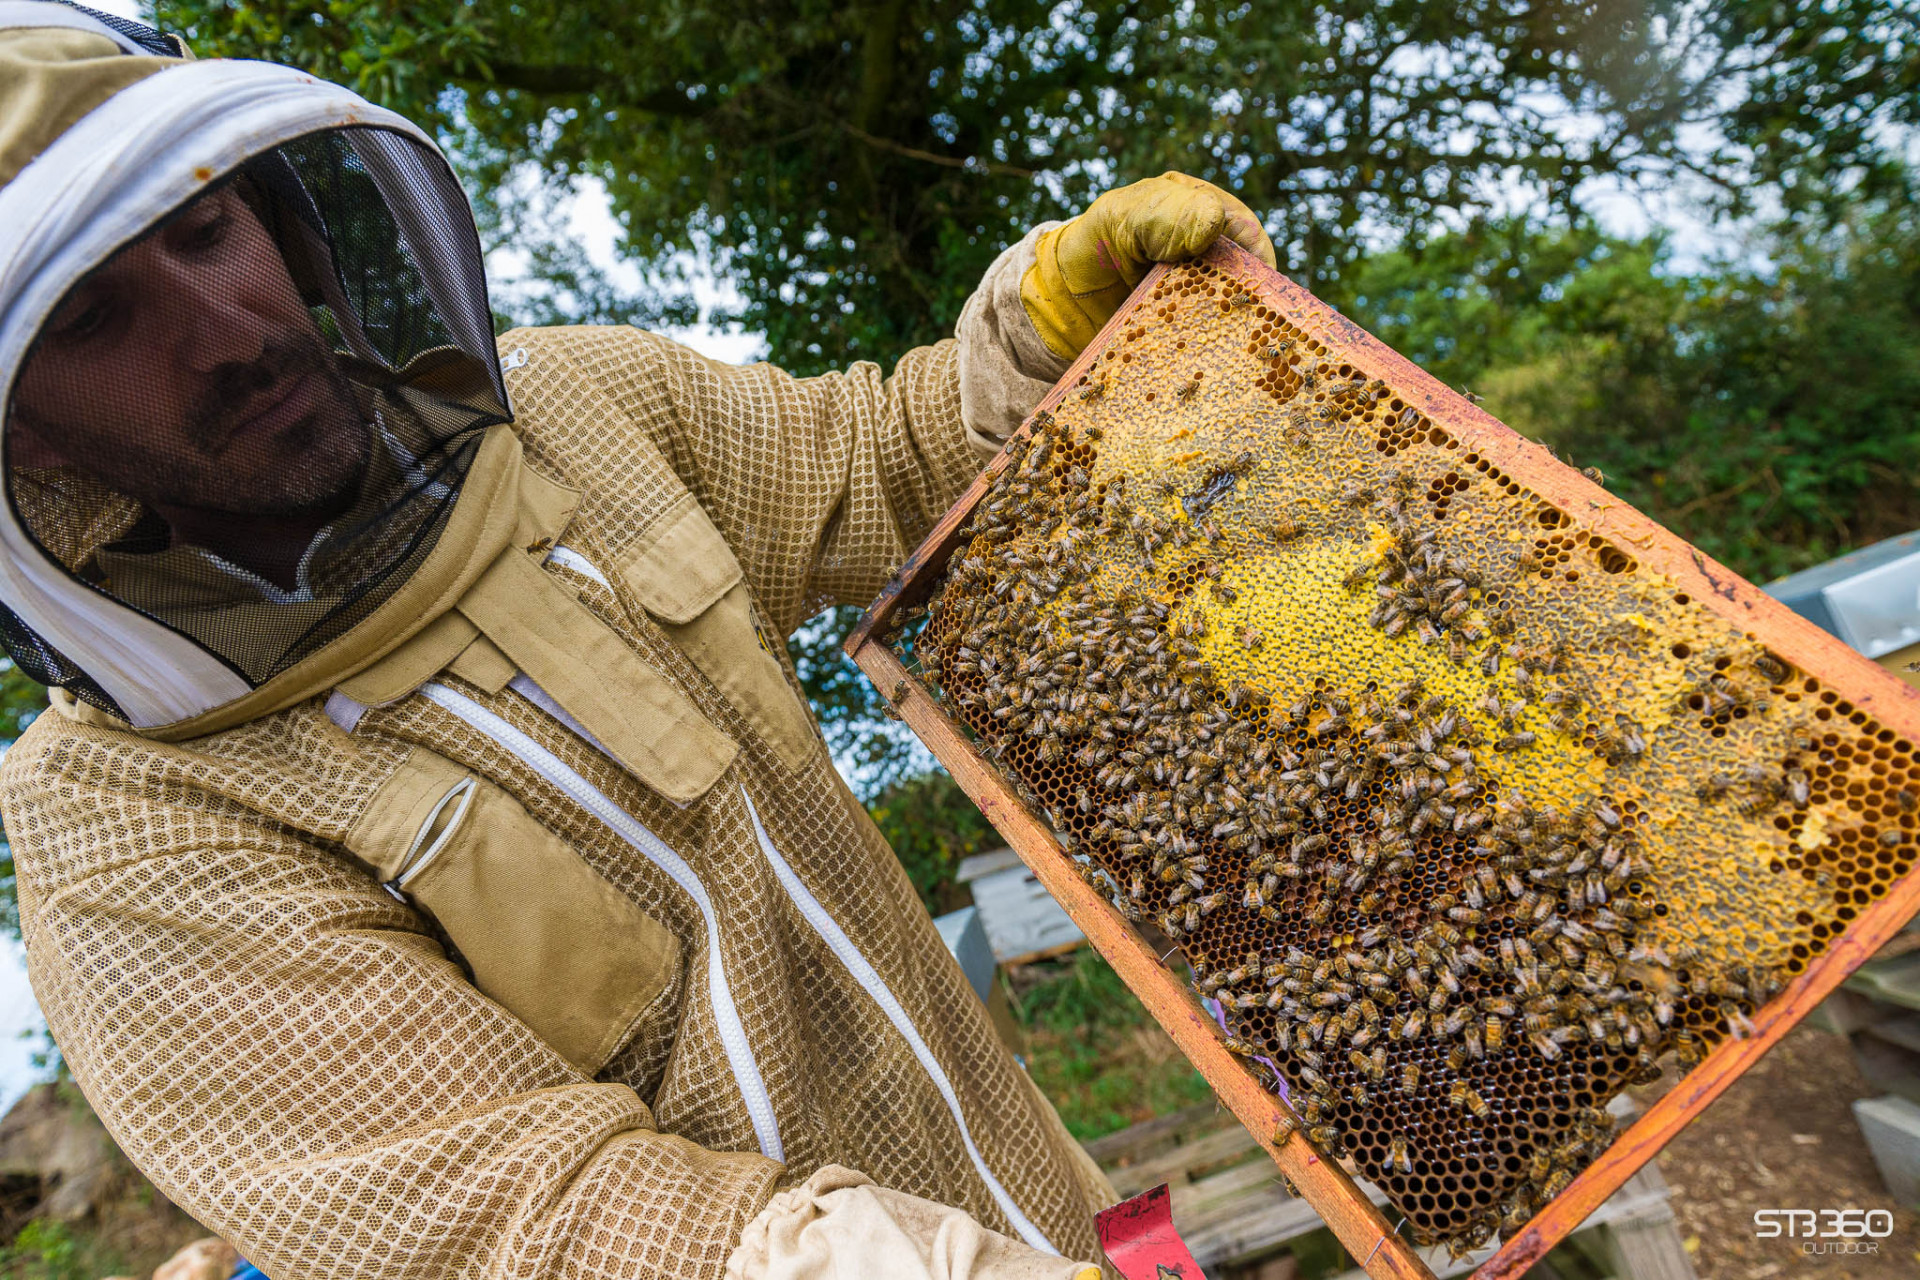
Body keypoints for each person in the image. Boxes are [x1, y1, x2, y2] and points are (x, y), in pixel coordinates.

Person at [0, 4, 1276, 1276]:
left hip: (1067, 1222)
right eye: (95, 319)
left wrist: (1044, 335)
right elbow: (526, 1217)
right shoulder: (126, 819)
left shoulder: (574, 406)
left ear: (275, 210)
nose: (225, 328)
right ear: (23, 431)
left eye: (203, 230)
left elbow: (883, 464)